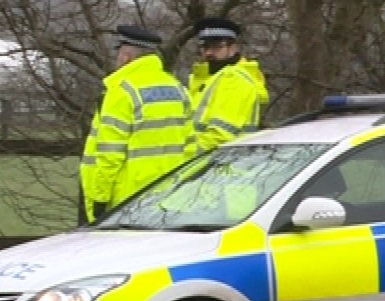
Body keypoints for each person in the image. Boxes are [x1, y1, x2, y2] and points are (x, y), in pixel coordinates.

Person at [80, 24, 194, 223]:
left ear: (126, 57)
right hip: (170, 200)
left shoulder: (121, 92)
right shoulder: (177, 89)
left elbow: (110, 155)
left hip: (127, 204)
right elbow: (190, 147)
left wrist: (100, 198)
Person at [187, 17, 269, 153]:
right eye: (205, 47)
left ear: (233, 47)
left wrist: (180, 155)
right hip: (210, 162)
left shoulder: (235, 79)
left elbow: (220, 137)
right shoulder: (206, 78)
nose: (209, 53)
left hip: (220, 163)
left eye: (217, 46)